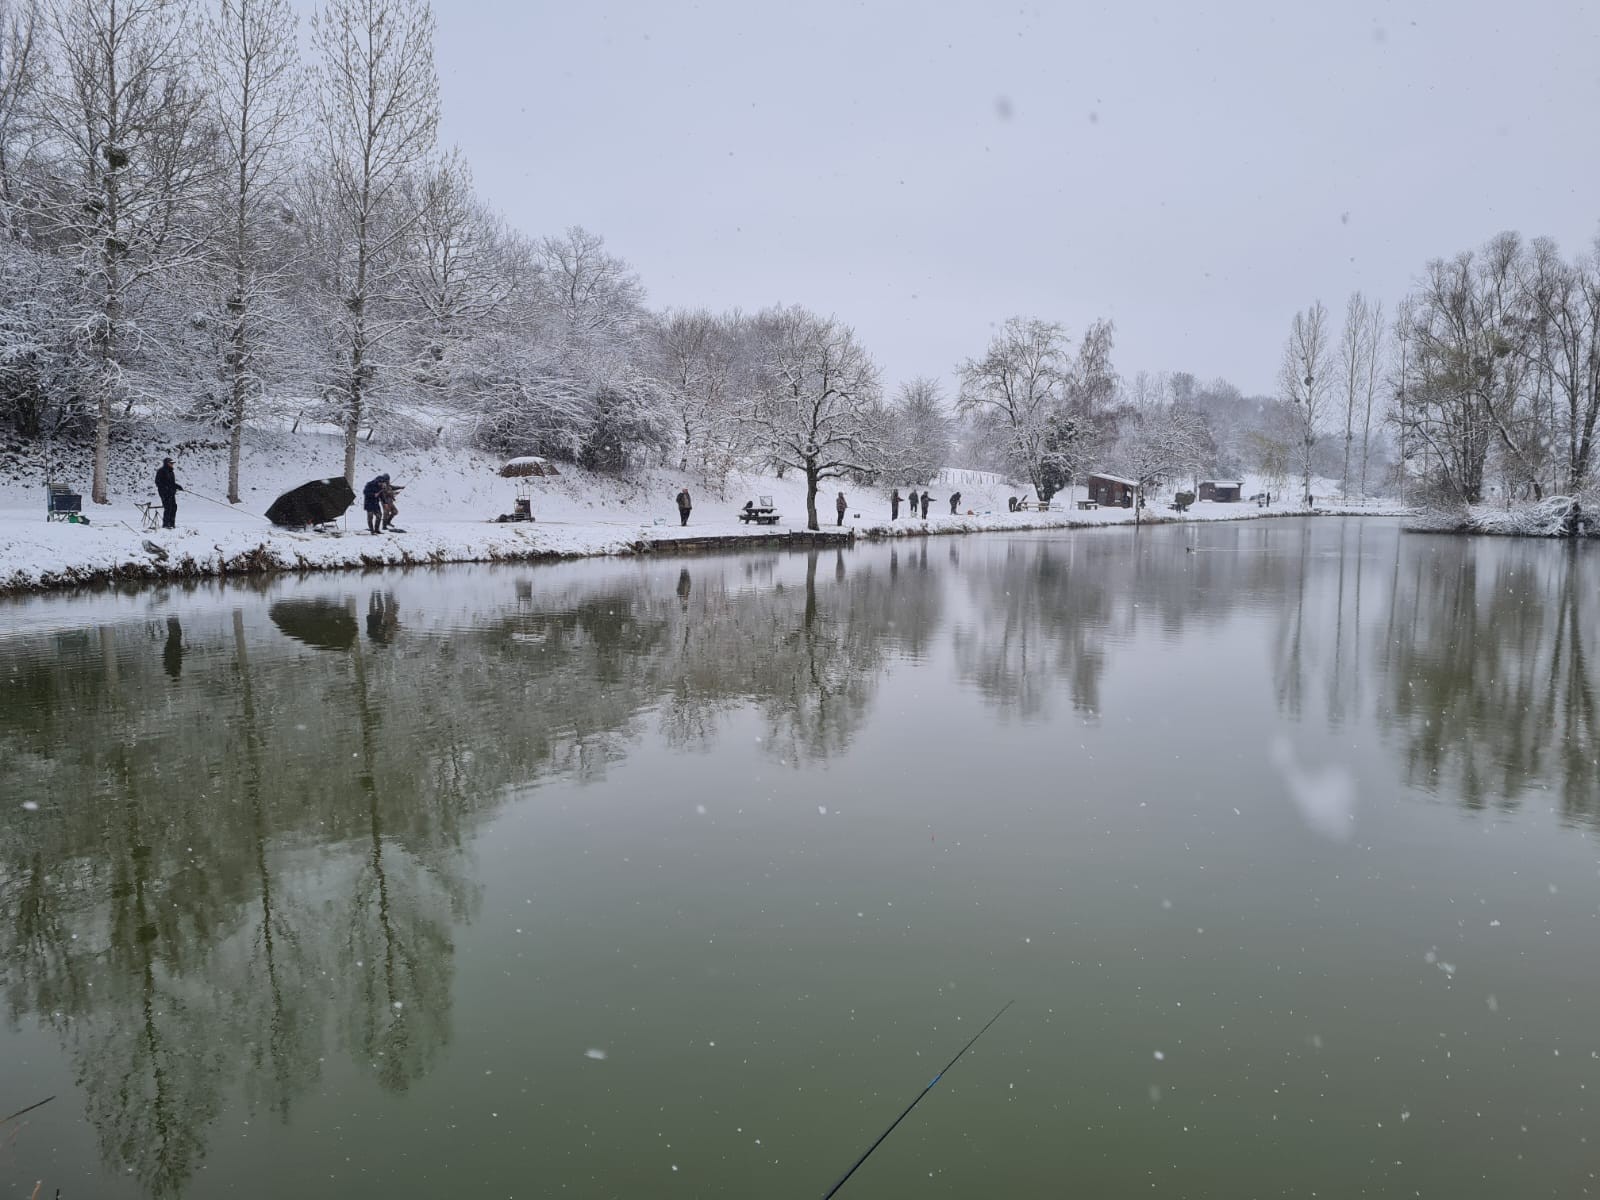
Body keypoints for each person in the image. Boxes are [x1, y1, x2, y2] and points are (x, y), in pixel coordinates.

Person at [155, 457, 182, 529]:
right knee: (168, 508)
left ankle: (172, 524)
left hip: (171, 493)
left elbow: (171, 483)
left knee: (174, 507)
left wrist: (177, 486)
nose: (172, 464)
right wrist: (166, 488)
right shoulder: (161, 471)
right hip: (164, 493)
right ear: (167, 463)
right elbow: (158, 482)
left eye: (172, 463)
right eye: (171, 463)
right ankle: (166, 524)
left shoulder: (171, 472)